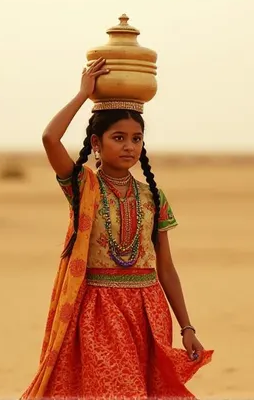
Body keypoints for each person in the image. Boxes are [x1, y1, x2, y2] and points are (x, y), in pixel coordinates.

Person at [21, 57, 213, 399]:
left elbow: (165, 266)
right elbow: (50, 139)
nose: (129, 146)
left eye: (136, 139)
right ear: (97, 143)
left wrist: (187, 326)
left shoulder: (151, 195)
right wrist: (83, 95)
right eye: (119, 137)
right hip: (98, 311)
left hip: (146, 310)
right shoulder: (83, 187)